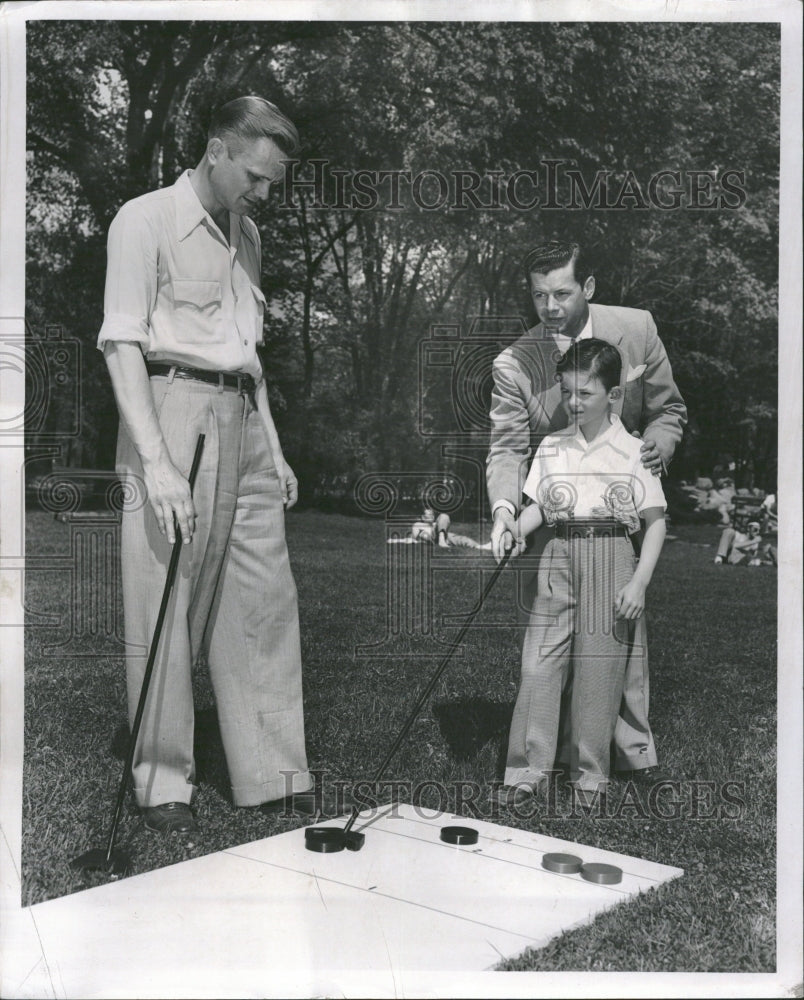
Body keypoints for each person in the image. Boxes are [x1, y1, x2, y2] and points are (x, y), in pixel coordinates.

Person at [97, 96, 328, 835]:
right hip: (171, 411)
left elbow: (248, 358)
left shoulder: (247, 234)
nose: (264, 192)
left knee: (263, 597)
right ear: (216, 150)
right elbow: (122, 344)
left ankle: (272, 772)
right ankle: (163, 779)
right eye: (256, 176)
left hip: (244, 421)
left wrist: (275, 447)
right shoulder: (144, 220)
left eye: (273, 182)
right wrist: (157, 464)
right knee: (169, 594)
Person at [487, 240, 686, 784]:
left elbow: (669, 409)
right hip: (553, 515)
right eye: (538, 296)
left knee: (618, 645)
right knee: (546, 647)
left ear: (589, 287)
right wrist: (507, 512)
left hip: (619, 516)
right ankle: (537, 760)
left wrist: (659, 445)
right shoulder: (515, 362)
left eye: (562, 293)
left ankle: (623, 755)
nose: (549, 307)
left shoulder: (638, 328)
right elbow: (507, 446)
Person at [492, 340, 667, 809]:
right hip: (559, 555)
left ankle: (589, 777)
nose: (572, 402)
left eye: (584, 394)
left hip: (612, 557)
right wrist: (514, 527)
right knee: (539, 663)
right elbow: (539, 510)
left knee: (598, 668)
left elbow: (655, 524)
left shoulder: (634, 452)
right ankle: (528, 770)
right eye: (567, 392)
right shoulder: (552, 445)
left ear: (614, 396)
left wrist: (639, 582)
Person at [387, 506, 489, 549]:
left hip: (442, 536)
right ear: (423, 517)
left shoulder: (437, 523)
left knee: (462, 539)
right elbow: (413, 539)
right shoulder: (418, 525)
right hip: (431, 537)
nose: (431, 516)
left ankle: (480, 547)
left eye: (432, 515)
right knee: (442, 524)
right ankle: (441, 541)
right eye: (428, 515)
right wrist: (396, 541)